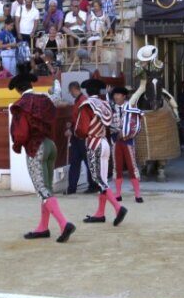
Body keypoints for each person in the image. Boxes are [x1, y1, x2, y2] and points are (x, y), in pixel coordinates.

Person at [9, 70, 76, 243]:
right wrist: (55, 81)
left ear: (17, 89)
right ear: (31, 85)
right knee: (47, 188)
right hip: (50, 145)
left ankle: (64, 223)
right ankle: (43, 227)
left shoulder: (20, 105)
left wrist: (17, 145)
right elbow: (57, 95)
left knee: (42, 190)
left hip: (35, 149)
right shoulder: (44, 99)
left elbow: (22, 134)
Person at [73, 78, 127, 226]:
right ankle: (100, 213)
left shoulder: (87, 105)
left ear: (87, 91)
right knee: (103, 179)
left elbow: (82, 129)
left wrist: (78, 134)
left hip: (93, 143)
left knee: (99, 180)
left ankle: (118, 207)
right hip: (105, 143)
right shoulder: (105, 104)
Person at [108, 86, 144, 203]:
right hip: (116, 140)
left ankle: (138, 195)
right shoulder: (111, 107)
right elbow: (108, 123)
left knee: (132, 167)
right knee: (117, 167)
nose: (116, 97)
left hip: (128, 140)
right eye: (114, 95)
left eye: (118, 94)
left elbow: (136, 124)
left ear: (124, 96)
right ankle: (118, 194)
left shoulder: (131, 107)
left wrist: (126, 134)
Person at [63, 81, 98, 195]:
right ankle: (75, 187)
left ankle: (86, 186)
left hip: (82, 137)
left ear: (73, 89)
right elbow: (78, 120)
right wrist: (71, 125)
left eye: (70, 91)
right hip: (79, 136)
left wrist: (71, 130)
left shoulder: (82, 101)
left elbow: (83, 122)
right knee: (81, 162)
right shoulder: (81, 100)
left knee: (80, 163)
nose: (70, 93)